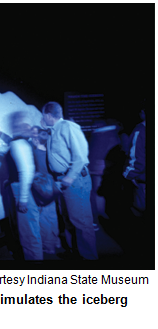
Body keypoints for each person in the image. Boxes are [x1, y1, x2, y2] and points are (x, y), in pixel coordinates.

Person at [41, 101, 98, 260]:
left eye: (43, 115)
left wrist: (69, 178)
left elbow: (80, 157)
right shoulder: (54, 130)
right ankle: (76, 254)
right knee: (68, 219)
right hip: (63, 180)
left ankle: (89, 260)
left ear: (48, 115)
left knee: (81, 222)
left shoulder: (68, 127)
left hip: (74, 180)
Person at [6, 112, 42, 260]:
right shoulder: (23, 143)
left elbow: (25, 171)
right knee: (31, 230)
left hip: (22, 190)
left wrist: (23, 199)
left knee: (28, 232)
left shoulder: (17, 144)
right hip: (26, 189)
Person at [31, 128, 60, 255]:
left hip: (42, 189)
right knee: (52, 216)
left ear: (36, 139)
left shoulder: (36, 152)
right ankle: (55, 241)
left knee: (44, 218)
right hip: (53, 187)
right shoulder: (50, 151)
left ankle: (49, 247)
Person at [123, 106, 146, 217]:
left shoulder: (141, 129)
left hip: (144, 180)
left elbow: (137, 155)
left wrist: (129, 175)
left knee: (140, 210)